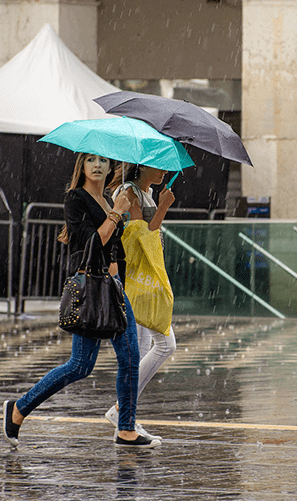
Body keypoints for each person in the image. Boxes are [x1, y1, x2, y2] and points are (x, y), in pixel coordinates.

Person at [3, 153, 161, 449]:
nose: (98, 165)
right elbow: (91, 242)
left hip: (115, 290)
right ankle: (18, 408)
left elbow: (115, 247)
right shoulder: (76, 199)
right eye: (91, 160)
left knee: (129, 361)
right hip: (92, 289)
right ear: (82, 167)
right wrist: (116, 214)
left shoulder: (109, 200)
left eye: (103, 160)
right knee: (80, 366)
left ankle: (125, 429)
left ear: (112, 166)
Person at [104, 164, 176, 442]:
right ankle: (123, 416)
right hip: (135, 283)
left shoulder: (145, 193)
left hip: (146, 284)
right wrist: (163, 207)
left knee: (149, 349)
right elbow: (140, 238)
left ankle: (124, 415)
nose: (163, 173)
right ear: (141, 166)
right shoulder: (129, 193)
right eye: (157, 167)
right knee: (162, 346)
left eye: (164, 168)